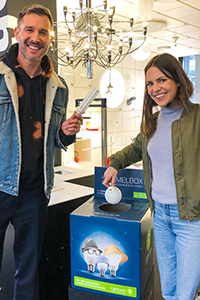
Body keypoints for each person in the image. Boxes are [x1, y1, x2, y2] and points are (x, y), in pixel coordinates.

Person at [0, 4, 82, 300]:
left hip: (34, 192)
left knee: (28, 274)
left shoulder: (57, 86)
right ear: (17, 32)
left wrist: (66, 133)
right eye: (30, 30)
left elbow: (55, 140)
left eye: (43, 32)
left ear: (50, 38)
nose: (36, 37)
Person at [103, 53, 200, 300]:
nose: (155, 88)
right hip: (160, 215)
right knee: (167, 289)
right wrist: (115, 163)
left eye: (162, 80)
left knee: (186, 293)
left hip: (191, 218)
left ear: (178, 80)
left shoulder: (197, 117)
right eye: (150, 83)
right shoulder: (153, 121)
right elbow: (136, 148)